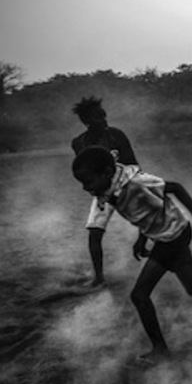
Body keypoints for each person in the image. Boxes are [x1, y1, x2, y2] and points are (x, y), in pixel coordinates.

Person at [72, 147, 192, 361]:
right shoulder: (110, 189)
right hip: (170, 234)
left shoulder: (136, 182)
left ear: (106, 173)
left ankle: (160, 350)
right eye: (82, 183)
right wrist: (142, 238)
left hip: (172, 237)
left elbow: (176, 188)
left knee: (139, 295)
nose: (85, 188)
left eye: (88, 181)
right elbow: (147, 210)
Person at [70, 96, 139, 287]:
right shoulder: (79, 143)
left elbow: (133, 164)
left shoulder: (116, 135)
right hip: (103, 193)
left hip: (126, 187)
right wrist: (95, 187)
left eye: (103, 115)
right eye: (98, 117)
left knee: (150, 224)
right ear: (86, 121)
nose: (104, 120)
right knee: (94, 233)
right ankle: (99, 276)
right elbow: (85, 172)